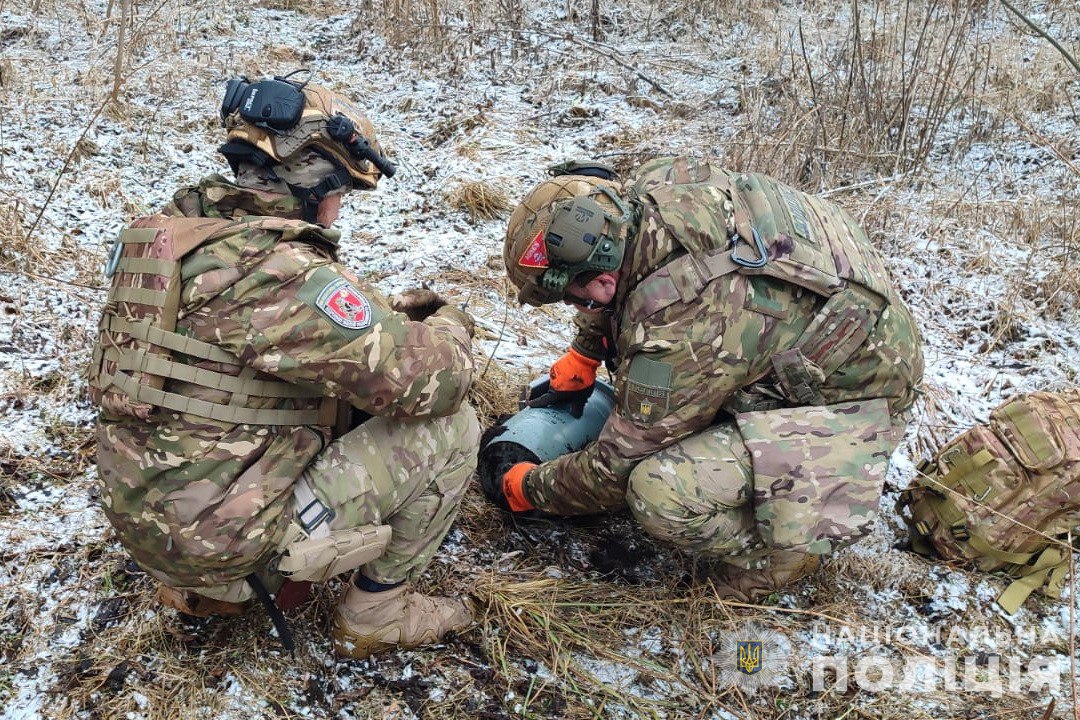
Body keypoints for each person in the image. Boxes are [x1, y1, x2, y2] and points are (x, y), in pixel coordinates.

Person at [88, 73, 480, 658]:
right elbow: (435, 381)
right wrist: (449, 326)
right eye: (340, 189)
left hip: (151, 517)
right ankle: (375, 612)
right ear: (312, 176)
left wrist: (375, 317)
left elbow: (240, 346)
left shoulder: (173, 240)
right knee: (453, 428)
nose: (338, 206)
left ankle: (209, 581)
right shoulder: (277, 270)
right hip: (222, 543)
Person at [490, 157, 924, 601]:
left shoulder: (681, 330)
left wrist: (529, 488)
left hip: (855, 403)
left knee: (658, 490)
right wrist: (584, 352)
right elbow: (619, 282)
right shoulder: (649, 189)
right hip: (841, 312)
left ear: (599, 283)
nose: (578, 310)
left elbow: (612, 472)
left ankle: (785, 549)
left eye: (573, 301)